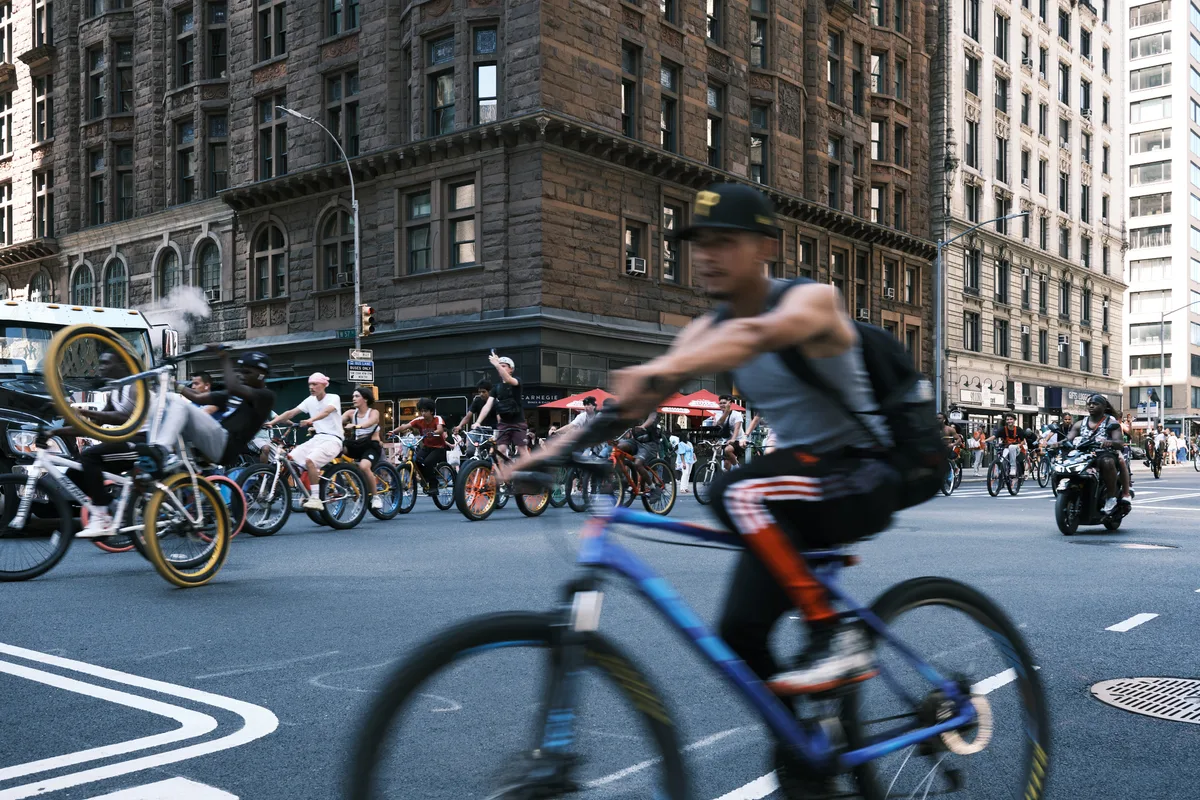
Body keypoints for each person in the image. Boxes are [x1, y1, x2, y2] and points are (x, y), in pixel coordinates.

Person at [505, 182, 900, 721]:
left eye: (725, 241)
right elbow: (626, 406)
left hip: (863, 472)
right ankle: (812, 749)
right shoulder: (703, 329)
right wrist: (549, 452)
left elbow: (757, 336)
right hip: (799, 491)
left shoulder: (811, 301)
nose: (707, 255)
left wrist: (662, 371)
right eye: (699, 242)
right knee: (739, 634)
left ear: (765, 247)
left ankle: (838, 634)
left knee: (734, 488)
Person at [77, 348, 275, 536]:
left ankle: (160, 450)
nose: (240, 375)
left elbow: (232, 386)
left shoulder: (264, 396)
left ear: (261, 375)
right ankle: (158, 463)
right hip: (205, 443)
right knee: (168, 399)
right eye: (239, 371)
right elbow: (198, 397)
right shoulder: (232, 396)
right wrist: (173, 384)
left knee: (180, 405)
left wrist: (223, 357)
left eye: (246, 372)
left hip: (225, 445)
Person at [265, 373, 343, 511]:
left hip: (333, 439)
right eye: (310, 385)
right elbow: (290, 413)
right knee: (290, 459)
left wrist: (310, 420)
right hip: (318, 438)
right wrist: (271, 422)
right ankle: (305, 492)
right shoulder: (310, 400)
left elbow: (326, 412)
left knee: (310, 460)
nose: (311, 387)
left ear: (324, 385)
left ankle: (315, 498)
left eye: (315, 384)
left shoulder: (333, 398)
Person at [1064, 394, 1131, 514]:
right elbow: (1068, 438)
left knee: (1107, 462)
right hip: (1084, 454)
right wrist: (1056, 443)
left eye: (1095, 404)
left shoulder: (1111, 422)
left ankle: (1111, 497)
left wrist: (1110, 442)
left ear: (1104, 406)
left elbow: (1120, 442)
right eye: (1089, 404)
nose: (1091, 406)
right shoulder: (1080, 423)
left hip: (1104, 453)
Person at [390, 398, 448, 492]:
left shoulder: (437, 419)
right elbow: (405, 426)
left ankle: (434, 485)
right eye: (421, 411)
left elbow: (440, 430)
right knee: (416, 461)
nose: (423, 413)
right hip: (426, 447)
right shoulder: (419, 420)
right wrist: (393, 432)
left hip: (439, 447)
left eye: (425, 411)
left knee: (428, 462)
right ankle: (424, 479)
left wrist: (433, 432)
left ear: (431, 411)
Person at [342, 387, 384, 510]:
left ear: (365, 399)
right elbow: (336, 421)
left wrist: (356, 426)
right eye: (353, 396)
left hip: (371, 445)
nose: (353, 398)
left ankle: (376, 497)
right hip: (357, 445)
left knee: (364, 467)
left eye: (356, 396)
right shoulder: (350, 413)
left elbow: (371, 422)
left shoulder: (373, 412)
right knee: (336, 449)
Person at [489, 353, 529, 457]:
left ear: (511, 369)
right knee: (501, 450)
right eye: (500, 366)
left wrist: (497, 364)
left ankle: (533, 472)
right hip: (504, 423)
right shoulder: (496, 387)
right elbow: (487, 405)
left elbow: (508, 379)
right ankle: (503, 473)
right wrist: (478, 422)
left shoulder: (517, 381)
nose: (500, 368)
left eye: (504, 366)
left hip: (518, 422)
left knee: (522, 450)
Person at [617, 411, 661, 495]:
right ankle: (625, 479)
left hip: (649, 444)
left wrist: (643, 426)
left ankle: (653, 488)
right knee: (619, 448)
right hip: (636, 441)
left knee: (638, 463)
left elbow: (651, 418)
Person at [988, 412, 1026, 477]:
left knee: (1012, 448)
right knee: (1001, 456)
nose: (1009, 421)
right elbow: (994, 436)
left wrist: (1018, 445)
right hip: (1005, 447)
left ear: (1014, 420)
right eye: (1007, 419)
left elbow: (1023, 441)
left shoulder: (1018, 429)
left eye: (1011, 419)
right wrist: (985, 440)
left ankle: (1013, 468)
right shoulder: (1003, 429)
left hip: (1016, 448)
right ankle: (999, 471)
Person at [714, 394, 745, 470]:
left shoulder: (737, 414)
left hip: (738, 440)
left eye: (724, 403)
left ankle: (737, 467)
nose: (722, 405)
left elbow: (737, 428)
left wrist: (733, 439)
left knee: (728, 450)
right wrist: (726, 412)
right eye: (720, 403)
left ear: (730, 403)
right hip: (726, 440)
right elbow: (718, 423)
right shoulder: (718, 414)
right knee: (726, 465)